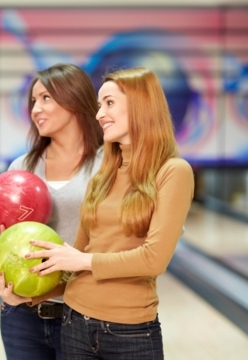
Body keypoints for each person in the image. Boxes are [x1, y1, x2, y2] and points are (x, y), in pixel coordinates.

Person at [26, 67, 195, 360]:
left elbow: (154, 259)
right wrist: (27, 295)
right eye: (99, 104)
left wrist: (83, 260)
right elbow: (74, 264)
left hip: (130, 333)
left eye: (109, 103)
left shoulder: (173, 172)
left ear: (141, 105)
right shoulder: (101, 177)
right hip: (75, 324)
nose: (98, 114)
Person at [0, 63, 104, 360]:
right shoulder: (21, 168)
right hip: (23, 315)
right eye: (33, 101)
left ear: (75, 100)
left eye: (46, 98)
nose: (35, 108)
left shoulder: (109, 164)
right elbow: (7, 239)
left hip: (85, 313)